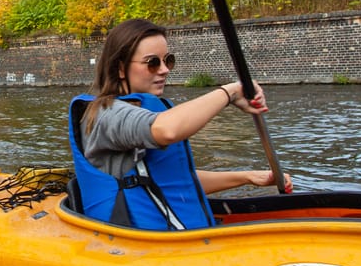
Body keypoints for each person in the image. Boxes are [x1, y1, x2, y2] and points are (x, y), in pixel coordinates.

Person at [69, 18, 292, 231]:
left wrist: (247, 177)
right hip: (138, 245)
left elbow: (177, 182)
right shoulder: (106, 114)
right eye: (152, 63)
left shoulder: (144, 110)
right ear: (120, 68)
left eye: (168, 60)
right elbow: (167, 130)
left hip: (174, 237)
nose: (164, 69)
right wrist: (230, 92)